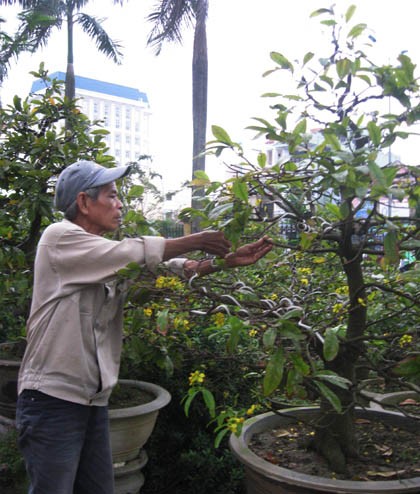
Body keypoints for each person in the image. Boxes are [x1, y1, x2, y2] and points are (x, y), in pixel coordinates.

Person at [15, 160, 273, 494]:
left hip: (91, 401)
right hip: (51, 400)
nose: (120, 204)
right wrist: (196, 239)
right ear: (83, 203)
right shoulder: (59, 238)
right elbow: (132, 253)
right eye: (111, 195)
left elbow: (163, 268)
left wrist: (222, 261)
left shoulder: (106, 259)